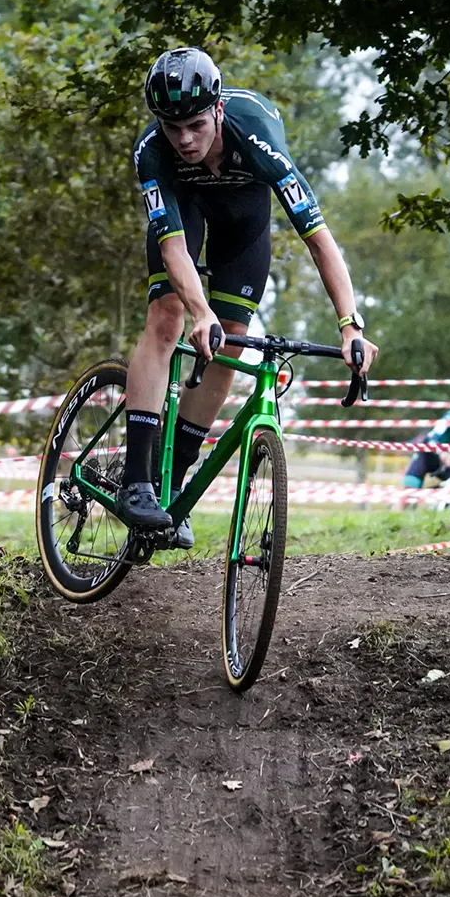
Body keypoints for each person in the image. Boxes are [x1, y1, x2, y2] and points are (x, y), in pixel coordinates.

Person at [120, 47, 378, 540]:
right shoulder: (153, 150)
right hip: (185, 205)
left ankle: (173, 483)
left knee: (232, 339)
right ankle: (137, 481)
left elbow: (319, 240)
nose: (184, 138)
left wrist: (350, 325)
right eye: (172, 127)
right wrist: (200, 312)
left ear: (217, 110)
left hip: (243, 211)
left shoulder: (257, 140)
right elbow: (173, 247)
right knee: (169, 313)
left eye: (195, 124)